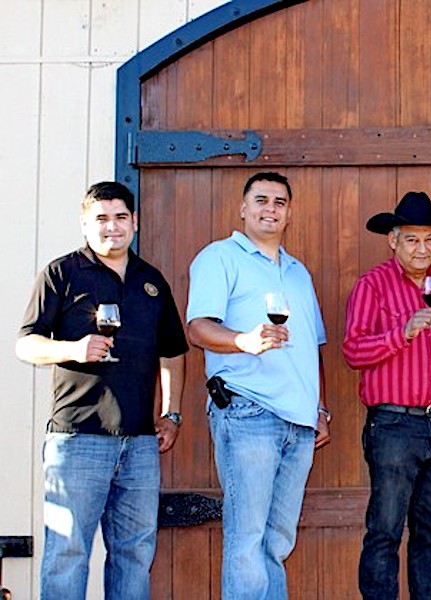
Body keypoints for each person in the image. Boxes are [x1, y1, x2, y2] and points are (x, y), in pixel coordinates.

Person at [15, 181, 188, 599]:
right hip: (77, 440)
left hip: (140, 443)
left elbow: (173, 353)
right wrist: (74, 348)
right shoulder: (62, 272)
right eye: (102, 219)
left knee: (134, 553)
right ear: (85, 224)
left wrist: (172, 413)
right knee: (68, 553)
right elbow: (26, 344)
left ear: (134, 222)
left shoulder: (151, 281)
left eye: (120, 218)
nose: (112, 227)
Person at [186, 172, 330, 598]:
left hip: (298, 423)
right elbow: (197, 328)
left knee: (277, 542)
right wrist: (242, 341)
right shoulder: (219, 257)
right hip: (249, 411)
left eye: (280, 202)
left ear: (289, 214)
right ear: (243, 209)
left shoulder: (298, 271)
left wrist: (319, 409)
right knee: (247, 541)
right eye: (261, 200)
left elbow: (312, 346)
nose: (271, 208)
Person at [343, 191, 431, 600]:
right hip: (394, 426)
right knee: (385, 532)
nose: (423, 249)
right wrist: (402, 333)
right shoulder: (373, 286)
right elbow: (353, 350)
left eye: (430, 240)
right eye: (413, 240)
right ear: (393, 241)